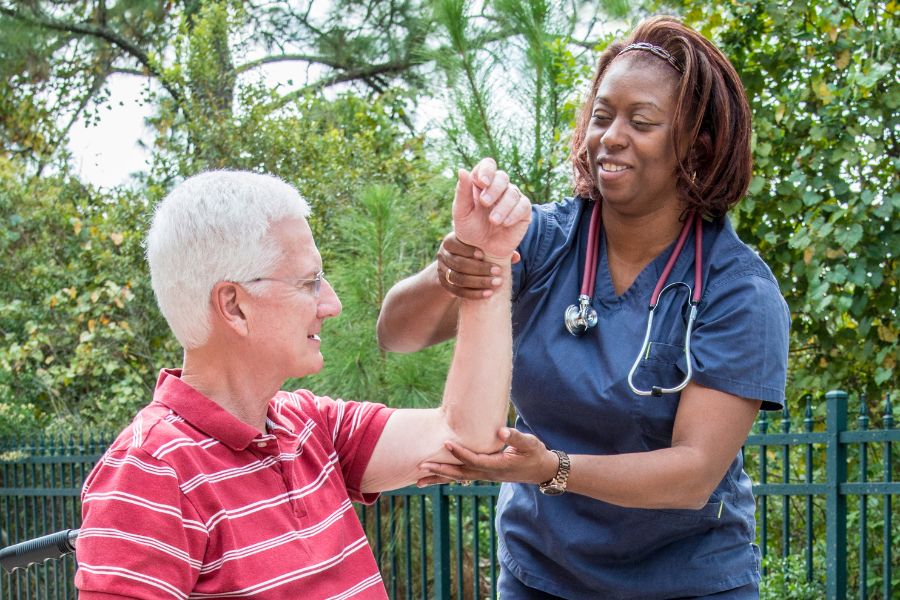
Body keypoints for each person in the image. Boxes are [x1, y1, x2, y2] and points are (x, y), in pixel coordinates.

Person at [376, 15, 790, 600]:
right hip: (540, 575)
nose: (611, 137)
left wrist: (552, 470)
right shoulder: (540, 241)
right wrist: (462, 259)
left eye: (640, 122)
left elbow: (694, 475)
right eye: (601, 115)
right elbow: (397, 332)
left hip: (686, 582)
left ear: (696, 144)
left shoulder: (737, 290)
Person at [74, 168, 530, 599]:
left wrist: (488, 260)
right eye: (309, 283)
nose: (331, 304)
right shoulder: (150, 473)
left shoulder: (309, 424)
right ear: (233, 306)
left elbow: (466, 438)